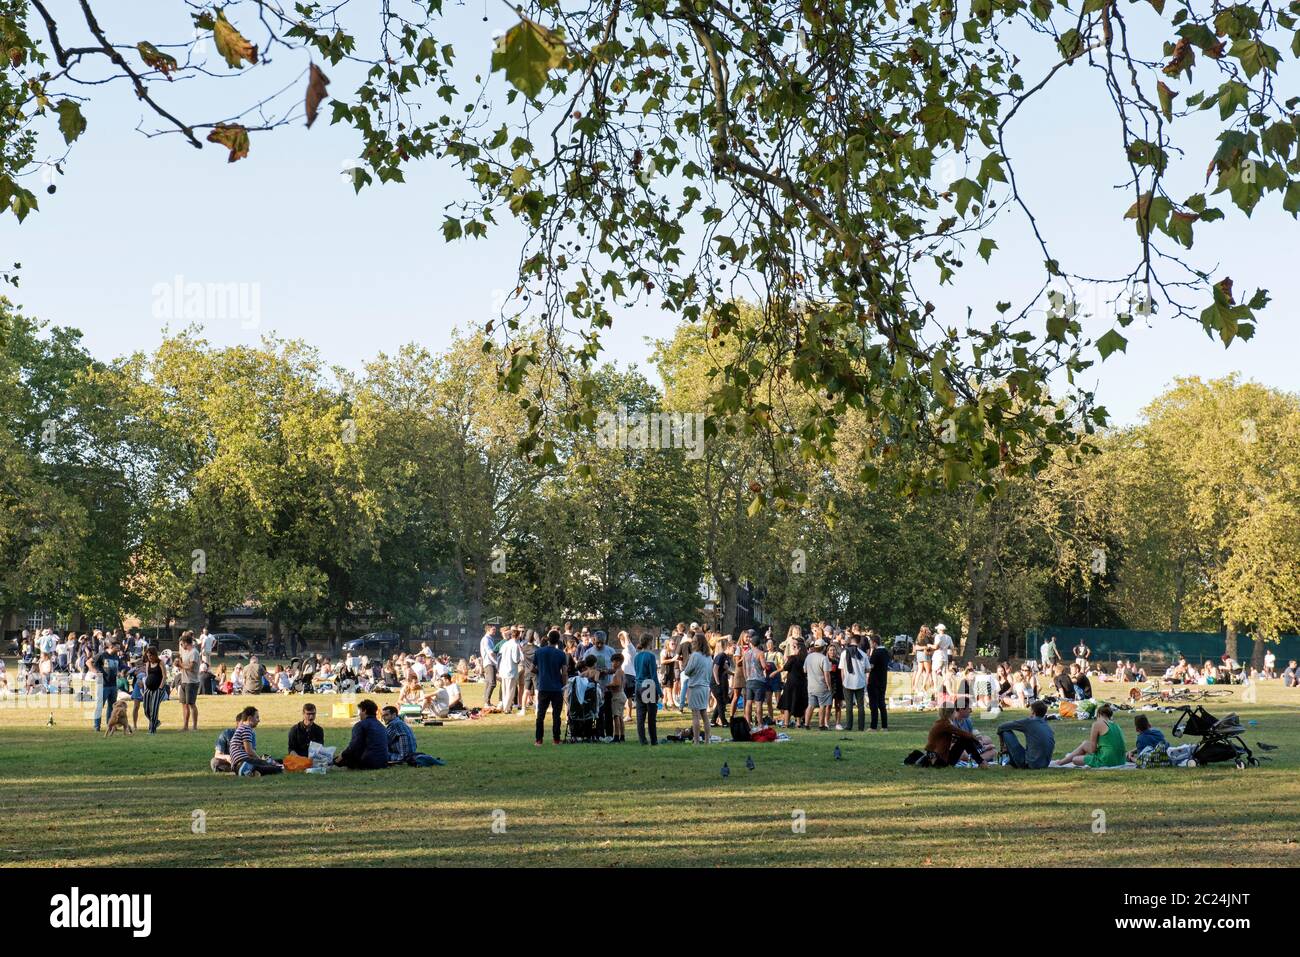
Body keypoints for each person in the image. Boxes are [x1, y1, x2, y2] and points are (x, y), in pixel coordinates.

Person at [1051, 703, 1127, 767]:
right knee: (1085, 744)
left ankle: (1060, 762)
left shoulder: (1097, 724)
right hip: (1121, 760)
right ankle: (1062, 761)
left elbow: (1092, 749)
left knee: (1075, 759)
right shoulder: (1116, 725)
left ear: (1099, 714)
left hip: (1107, 760)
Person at [923, 707, 990, 767]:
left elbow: (956, 736)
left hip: (934, 757)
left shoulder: (940, 723)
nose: (955, 714)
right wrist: (976, 740)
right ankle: (981, 762)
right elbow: (964, 734)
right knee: (965, 740)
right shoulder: (945, 725)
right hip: (939, 760)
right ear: (951, 714)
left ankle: (981, 761)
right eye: (955, 712)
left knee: (964, 740)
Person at [996, 701, 1055, 769]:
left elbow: (1001, 727)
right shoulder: (1046, 725)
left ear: (1033, 712)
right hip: (1045, 764)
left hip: (1030, 764)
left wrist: (1002, 745)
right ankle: (1010, 758)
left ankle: (1004, 753)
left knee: (1005, 732)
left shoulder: (1029, 722)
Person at [533, 631, 567, 746]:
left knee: (540, 715)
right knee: (556, 715)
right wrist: (564, 685)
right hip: (556, 687)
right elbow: (564, 672)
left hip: (543, 686)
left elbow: (533, 669)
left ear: (548, 639)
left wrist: (541, 672)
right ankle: (556, 739)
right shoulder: (561, 654)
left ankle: (538, 740)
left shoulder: (539, 652)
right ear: (558, 640)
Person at [334, 699, 389, 769]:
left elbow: (353, 746)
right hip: (383, 762)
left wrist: (341, 756)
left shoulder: (360, 725)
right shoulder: (381, 726)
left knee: (340, 758)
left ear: (364, 711)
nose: (359, 714)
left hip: (368, 762)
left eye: (360, 711)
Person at [229, 707, 283, 776]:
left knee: (264, 765)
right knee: (272, 767)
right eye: (257, 717)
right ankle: (250, 769)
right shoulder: (246, 729)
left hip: (237, 765)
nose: (259, 720)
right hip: (243, 761)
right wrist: (260, 759)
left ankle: (249, 771)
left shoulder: (241, 728)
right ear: (250, 718)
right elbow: (249, 751)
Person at [681, 639, 713, 744]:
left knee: (695, 714)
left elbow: (687, 671)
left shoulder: (695, 655)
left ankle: (696, 741)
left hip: (695, 686)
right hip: (705, 686)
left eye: (694, 642)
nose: (692, 643)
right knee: (704, 714)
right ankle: (707, 740)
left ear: (698, 644)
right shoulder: (708, 657)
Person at [633, 633, 662, 746]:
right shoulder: (650, 656)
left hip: (638, 686)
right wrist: (659, 691)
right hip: (648, 686)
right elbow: (654, 676)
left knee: (640, 715)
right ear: (649, 642)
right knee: (651, 715)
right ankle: (653, 740)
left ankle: (642, 739)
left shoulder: (637, 656)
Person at [91, 638, 123, 732]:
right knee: (99, 705)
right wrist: (96, 672)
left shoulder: (116, 657)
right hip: (103, 685)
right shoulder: (102, 655)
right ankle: (97, 726)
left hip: (113, 685)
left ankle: (110, 726)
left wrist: (119, 672)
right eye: (117, 647)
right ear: (111, 646)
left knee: (112, 707)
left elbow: (117, 668)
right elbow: (88, 662)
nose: (119, 649)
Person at [839, 633, 868, 731]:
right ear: (859, 642)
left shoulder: (844, 653)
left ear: (851, 641)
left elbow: (842, 669)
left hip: (847, 681)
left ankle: (849, 726)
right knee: (860, 706)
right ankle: (861, 727)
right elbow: (868, 669)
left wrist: (843, 680)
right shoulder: (863, 654)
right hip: (860, 681)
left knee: (849, 706)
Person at [804, 638, 833, 731]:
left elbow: (804, 670)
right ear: (823, 647)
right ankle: (821, 725)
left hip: (811, 685)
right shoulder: (824, 658)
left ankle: (806, 724)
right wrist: (829, 685)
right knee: (822, 705)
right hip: (821, 686)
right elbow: (826, 674)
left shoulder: (809, 657)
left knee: (810, 705)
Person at [741, 631, 768, 727]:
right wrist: (767, 665)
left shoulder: (746, 653)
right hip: (759, 680)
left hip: (749, 680)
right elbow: (764, 666)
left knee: (748, 702)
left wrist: (746, 677)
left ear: (751, 643)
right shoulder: (760, 653)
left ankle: (748, 723)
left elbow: (743, 667)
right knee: (758, 703)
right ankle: (760, 723)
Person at [866, 633, 892, 730]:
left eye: (871, 643)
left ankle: (873, 726)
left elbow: (871, 667)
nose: (870, 645)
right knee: (882, 704)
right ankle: (884, 726)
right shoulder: (886, 652)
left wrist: (864, 669)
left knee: (873, 704)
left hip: (874, 681)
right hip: (883, 680)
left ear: (874, 643)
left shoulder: (876, 652)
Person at [176, 633, 201, 730]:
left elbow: (191, 667)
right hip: (184, 680)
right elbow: (182, 664)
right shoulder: (185, 652)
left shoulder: (194, 652)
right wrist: (178, 664)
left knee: (191, 704)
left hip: (192, 681)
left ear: (186, 643)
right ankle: (185, 726)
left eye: (182, 644)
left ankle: (194, 726)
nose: (182, 646)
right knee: (184, 704)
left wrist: (180, 666)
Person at [141, 648, 167, 734]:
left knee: (154, 709)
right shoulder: (148, 663)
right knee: (146, 709)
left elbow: (164, 676)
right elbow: (148, 676)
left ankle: (152, 730)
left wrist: (160, 688)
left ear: (155, 655)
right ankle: (156, 722)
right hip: (148, 689)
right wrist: (145, 687)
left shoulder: (160, 663)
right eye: (148, 656)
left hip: (158, 689)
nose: (150, 658)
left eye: (151, 656)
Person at [497, 628, 522, 714]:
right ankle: (507, 709)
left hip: (503, 670)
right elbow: (516, 659)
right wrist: (520, 658)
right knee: (510, 690)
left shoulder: (505, 644)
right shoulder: (515, 645)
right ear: (518, 636)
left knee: (504, 690)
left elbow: (499, 654)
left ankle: (505, 706)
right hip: (511, 670)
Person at [710, 637, 731, 727]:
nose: (734, 649)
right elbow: (715, 669)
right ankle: (724, 722)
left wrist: (733, 674)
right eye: (733, 648)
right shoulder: (720, 656)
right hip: (716, 683)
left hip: (722, 682)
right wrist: (718, 683)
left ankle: (713, 721)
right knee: (721, 702)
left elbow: (724, 670)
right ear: (727, 647)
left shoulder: (726, 657)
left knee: (721, 702)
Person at [479, 625, 500, 707]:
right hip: (489, 663)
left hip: (491, 663)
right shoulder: (486, 639)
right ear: (488, 630)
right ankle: (486, 702)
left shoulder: (490, 639)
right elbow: (490, 652)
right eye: (493, 629)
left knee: (488, 683)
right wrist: (496, 662)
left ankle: (486, 702)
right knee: (492, 683)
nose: (495, 631)